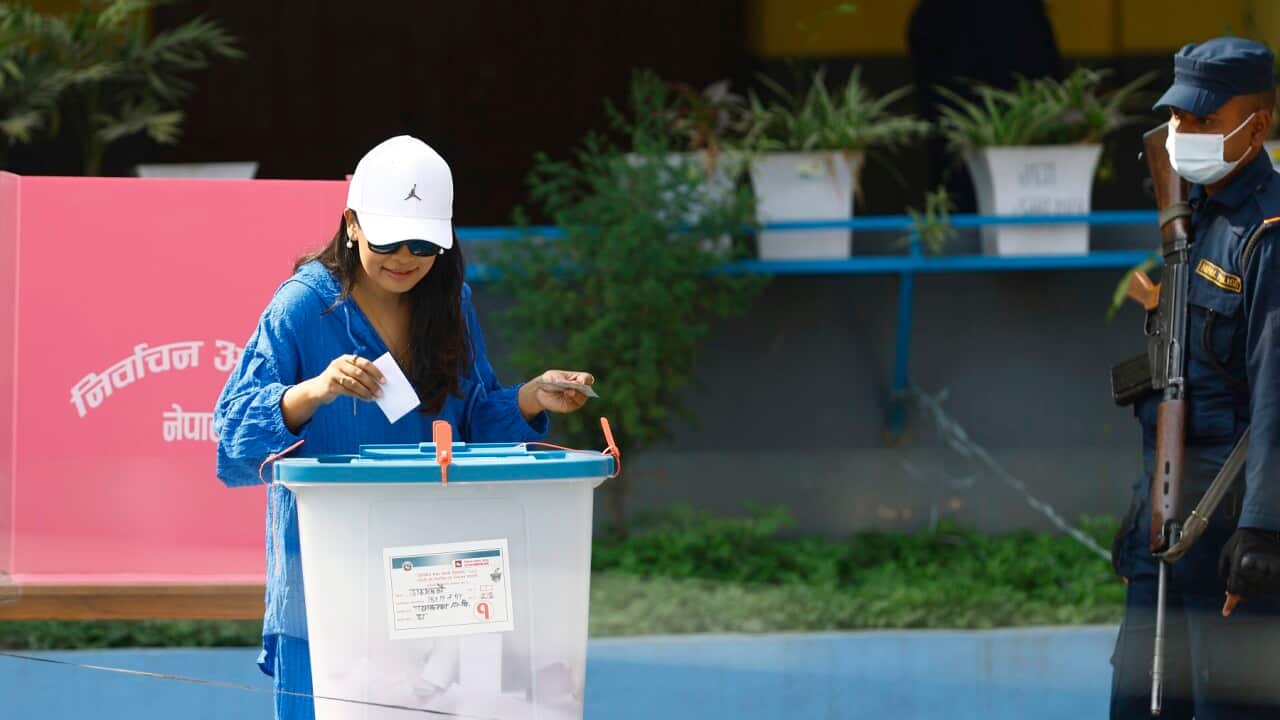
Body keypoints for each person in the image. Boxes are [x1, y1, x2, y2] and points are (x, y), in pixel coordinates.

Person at [213, 135, 594, 720]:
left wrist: (528, 397)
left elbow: (474, 427)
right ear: (351, 224)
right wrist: (316, 389)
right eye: (388, 239)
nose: (405, 257)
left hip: (440, 572)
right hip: (333, 572)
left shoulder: (449, 302)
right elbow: (234, 437)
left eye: (424, 243)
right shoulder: (303, 306)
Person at [1110, 37, 1280, 718]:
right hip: (1166, 513)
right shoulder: (1192, 218)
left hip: (1231, 525)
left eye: (1205, 120)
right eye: (1178, 117)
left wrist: (1265, 528)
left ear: (1257, 128)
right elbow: (1175, 379)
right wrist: (1140, 511)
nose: (1183, 132)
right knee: (1141, 700)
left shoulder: (1267, 234)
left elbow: (1275, 395)